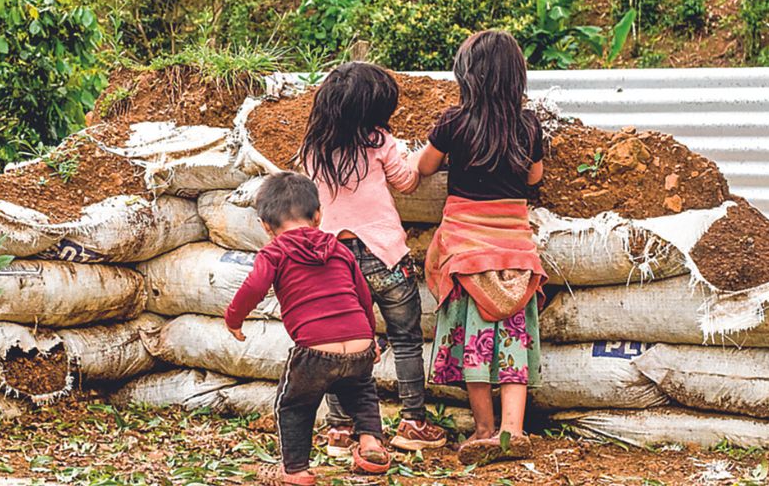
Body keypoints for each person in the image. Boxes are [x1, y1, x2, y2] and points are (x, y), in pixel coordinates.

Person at [411, 30, 548, 466]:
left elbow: (423, 166)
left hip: (467, 255)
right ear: (516, 78)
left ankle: (484, 430)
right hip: (516, 258)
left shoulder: (453, 122)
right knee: (512, 344)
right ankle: (513, 430)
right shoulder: (528, 126)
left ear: (467, 76)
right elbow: (534, 178)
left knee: (474, 345)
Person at [296, 62, 448, 454]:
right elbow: (408, 182)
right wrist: (414, 158)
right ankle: (413, 421)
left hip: (332, 260)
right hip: (385, 257)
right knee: (406, 339)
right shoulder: (379, 141)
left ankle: (339, 430)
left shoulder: (312, 148)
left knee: (337, 342)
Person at [224, 172, 392, 485]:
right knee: (362, 391)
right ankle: (370, 443)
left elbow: (254, 286)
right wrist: (371, 340)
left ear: (265, 226)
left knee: (293, 406)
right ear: (317, 216)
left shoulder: (274, 252)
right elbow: (363, 297)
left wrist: (234, 319)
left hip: (315, 350)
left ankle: (295, 471)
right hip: (359, 344)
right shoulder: (340, 250)